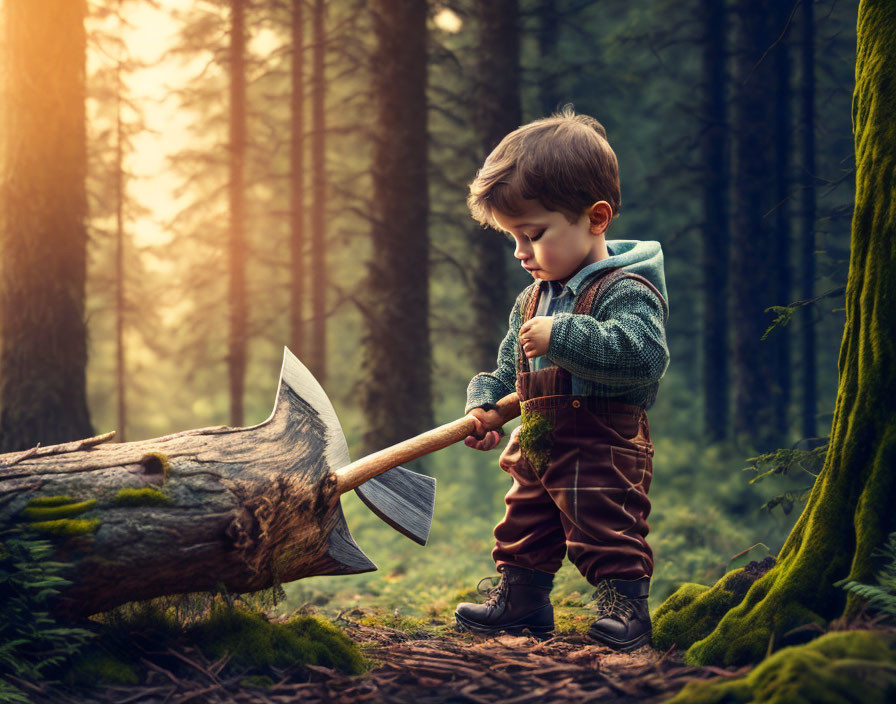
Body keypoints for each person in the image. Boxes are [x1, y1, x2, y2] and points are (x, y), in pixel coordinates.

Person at [453, 105, 669, 652]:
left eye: (534, 234)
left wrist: (563, 336)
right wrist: (484, 404)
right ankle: (522, 600)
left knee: (607, 521)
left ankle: (627, 606)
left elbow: (644, 355)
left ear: (596, 218)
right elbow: (509, 370)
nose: (523, 254)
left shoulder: (626, 289)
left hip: (603, 442)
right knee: (526, 520)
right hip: (540, 437)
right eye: (514, 240)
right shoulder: (530, 299)